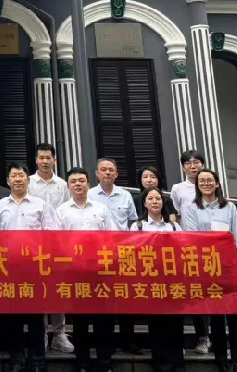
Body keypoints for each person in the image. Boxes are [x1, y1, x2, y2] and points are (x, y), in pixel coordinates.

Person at [182, 170, 237, 372]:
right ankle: (221, 361)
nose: (206, 183)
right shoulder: (190, 207)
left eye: (209, 180)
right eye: (201, 181)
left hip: (229, 266)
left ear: (217, 184)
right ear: (197, 185)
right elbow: (192, 238)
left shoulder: (229, 207)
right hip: (208, 267)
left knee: (235, 316)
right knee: (217, 316)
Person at [52, 167, 116, 372]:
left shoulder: (101, 209)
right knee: (80, 321)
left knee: (103, 320)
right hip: (75, 272)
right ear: (68, 186)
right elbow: (57, 242)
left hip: (100, 271)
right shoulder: (61, 211)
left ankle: (105, 363)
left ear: (88, 184)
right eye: (74, 181)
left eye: (81, 180)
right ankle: (82, 364)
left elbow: (112, 236)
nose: (78, 184)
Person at [0, 163, 53, 372]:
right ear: (8, 181)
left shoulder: (40, 204)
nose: (18, 179)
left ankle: (37, 360)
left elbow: (51, 234)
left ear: (28, 180)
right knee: (13, 317)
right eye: (14, 176)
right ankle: (16, 360)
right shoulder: (1, 204)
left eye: (21, 176)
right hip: (9, 269)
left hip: (34, 268)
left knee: (36, 317)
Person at [131, 187, 184, 372]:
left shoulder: (174, 227)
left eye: (158, 198)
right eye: (150, 198)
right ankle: (161, 363)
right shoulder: (138, 226)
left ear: (163, 202)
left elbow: (183, 251)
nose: (155, 201)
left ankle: (177, 363)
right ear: (144, 203)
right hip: (150, 280)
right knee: (156, 323)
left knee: (175, 323)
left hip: (172, 280)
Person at [89, 158, 139, 355]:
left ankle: (128, 340)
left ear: (116, 174)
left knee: (125, 296)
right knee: (104, 296)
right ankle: (106, 342)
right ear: (97, 174)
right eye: (103, 170)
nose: (107, 173)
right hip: (98, 253)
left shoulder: (125, 195)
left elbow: (133, 221)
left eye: (111, 170)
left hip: (122, 251)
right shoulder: (90, 194)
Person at [26, 144, 72, 355]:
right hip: (34, 245)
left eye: (48, 158)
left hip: (57, 244)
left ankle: (59, 334)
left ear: (54, 160)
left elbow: (66, 211)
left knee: (57, 288)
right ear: (36, 160)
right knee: (39, 289)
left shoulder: (62, 185)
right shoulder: (28, 183)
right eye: (41, 158)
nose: (45, 161)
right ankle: (43, 332)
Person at [170, 150, 209, 355]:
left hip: (209, 247)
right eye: (188, 163)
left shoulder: (210, 184)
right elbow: (174, 216)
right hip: (186, 247)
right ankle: (180, 339)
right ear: (183, 167)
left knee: (203, 294)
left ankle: (204, 337)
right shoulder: (178, 189)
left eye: (196, 162)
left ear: (203, 164)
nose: (192, 166)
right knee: (187, 292)